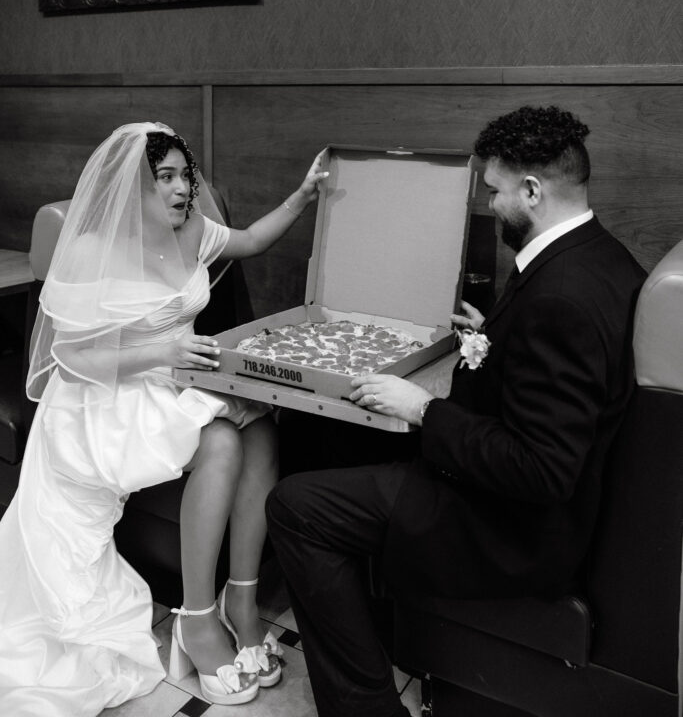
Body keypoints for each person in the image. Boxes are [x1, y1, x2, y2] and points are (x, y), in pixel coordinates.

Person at [266, 104, 646, 717]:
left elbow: (542, 471)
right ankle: (384, 629)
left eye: (494, 192)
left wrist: (422, 409)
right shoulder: (602, 260)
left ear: (532, 190)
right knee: (320, 439)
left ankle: (366, 707)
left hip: (510, 529)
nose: (489, 206)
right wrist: (492, 336)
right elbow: (552, 379)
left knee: (293, 507)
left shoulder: (561, 299)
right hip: (530, 498)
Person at [0, 121, 327, 715]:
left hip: (176, 380)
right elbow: (69, 357)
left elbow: (252, 239)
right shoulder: (94, 249)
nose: (183, 190)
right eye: (166, 179)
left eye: (186, 177)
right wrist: (163, 353)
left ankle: (242, 601)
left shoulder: (195, 230)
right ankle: (195, 620)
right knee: (223, 442)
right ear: (133, 190)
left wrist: (300, 199)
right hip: (104, 395)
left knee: (262, 432)